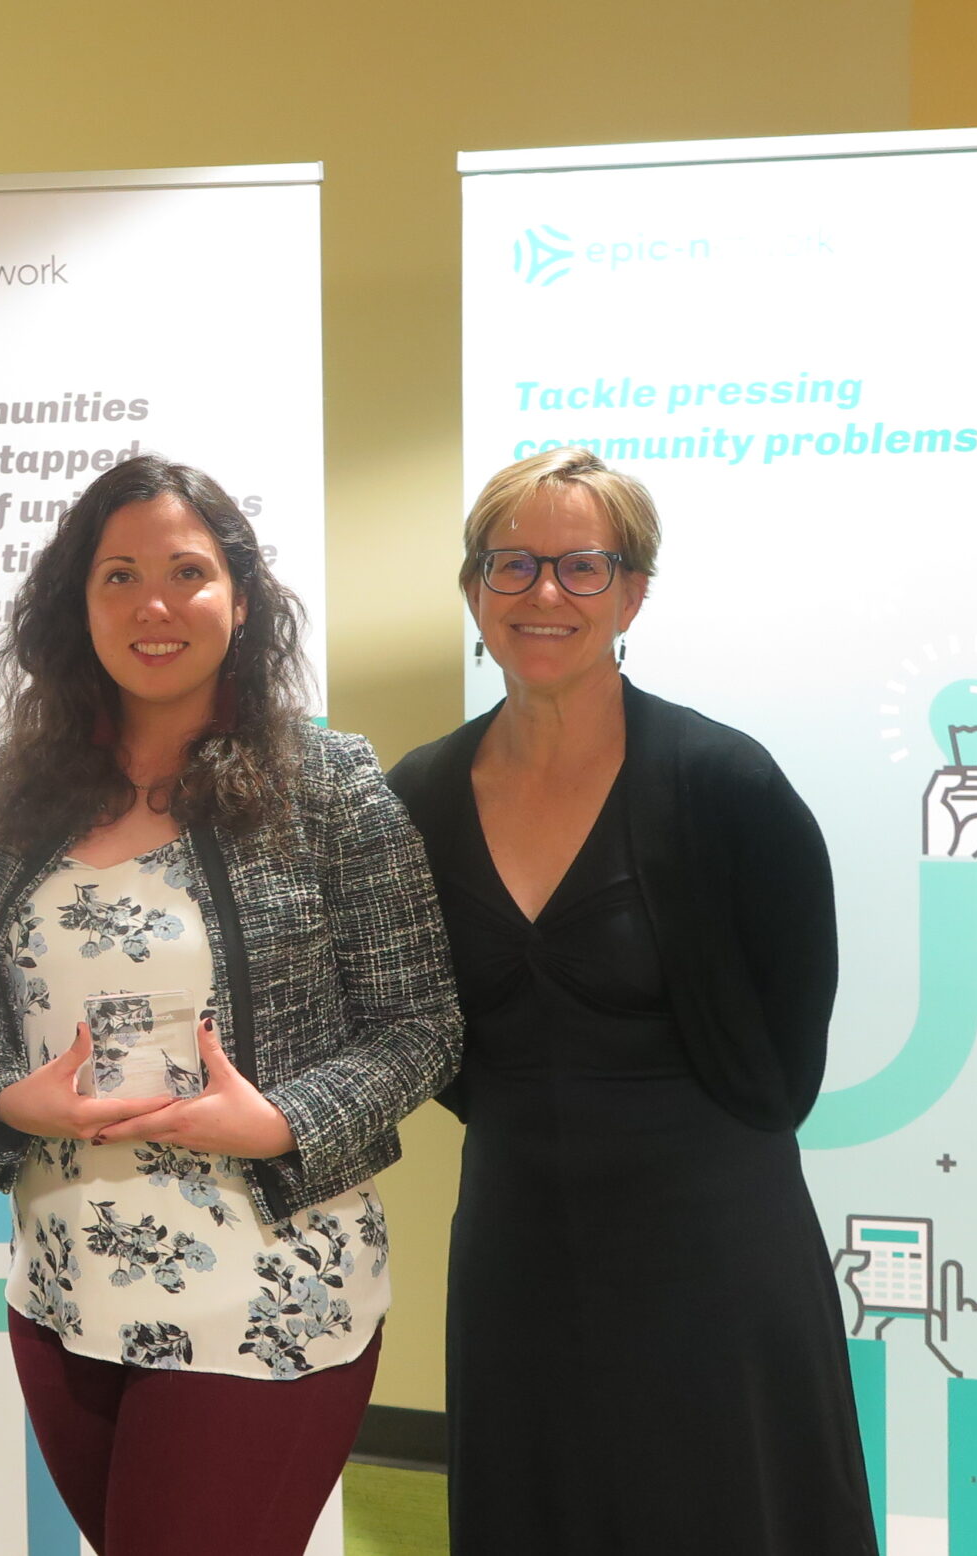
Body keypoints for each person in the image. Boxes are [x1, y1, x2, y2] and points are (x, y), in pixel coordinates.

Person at [0, 455, 462, 1556]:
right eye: (118, 575)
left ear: (239, 594)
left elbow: (420, 1020)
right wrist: (9, 1096)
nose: (154, 605)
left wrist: (279, 1120)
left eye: (187, 571)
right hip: (60, 1284)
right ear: (72, 605)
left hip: (268, 1287)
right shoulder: (18, 792)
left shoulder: (325, 781)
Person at [384, 447, 877, 1554]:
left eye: (582, 566)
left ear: (634, 592)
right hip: (515, 1234)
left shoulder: (723, 783)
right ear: (473, 590)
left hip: (708, 1233)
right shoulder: (416, 793)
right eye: (511, 565)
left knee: (723, 1509)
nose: (544, 594)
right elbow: (423, 1020)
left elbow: (789, 1032)